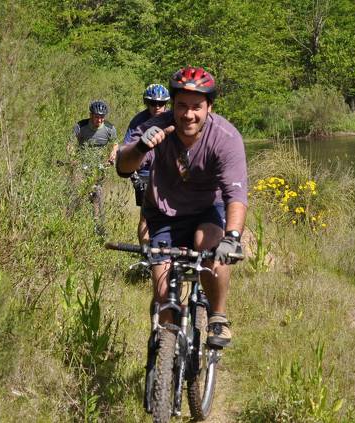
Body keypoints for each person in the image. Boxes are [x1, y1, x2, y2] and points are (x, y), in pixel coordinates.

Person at [116, 67, 248, 348]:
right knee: (163, 295)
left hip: (207, 208)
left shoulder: (225, 137)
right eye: (182, 106)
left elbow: (235, 195)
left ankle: (218, 316)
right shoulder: (155, 127)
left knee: (209, 246)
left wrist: (233, 237)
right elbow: (123, 168)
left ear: (209, 107)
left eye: (196, 107)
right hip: (163, 212)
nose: (188, 114)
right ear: (172, 106)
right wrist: (140, 148)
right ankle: (164, 355)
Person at [123, 84, 170, 245]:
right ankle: (145, 252)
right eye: (152, 103)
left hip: (167, 171)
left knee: (171, 213)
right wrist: (133, 176)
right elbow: (128, 150)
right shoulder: (138, 122)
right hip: (144, 173)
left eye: (161, 103)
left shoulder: (173, 118)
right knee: (146, 216)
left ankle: (166, 249)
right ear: (146, 103)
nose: (157, 107)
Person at [72, 100, 118, 235]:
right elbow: (70, 144)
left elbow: (115, 144)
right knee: (79, 193)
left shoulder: (109, 128)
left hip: (99, 166)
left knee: (97, 193)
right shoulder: (80, 126)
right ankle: (74, 221)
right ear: (91, 115)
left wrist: (112, 154)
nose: (99, 120)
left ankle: (98, 225)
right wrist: (73, 158)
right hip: (82, 165)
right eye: (97, 117)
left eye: (102, 117)